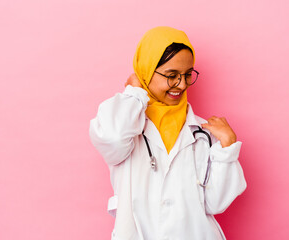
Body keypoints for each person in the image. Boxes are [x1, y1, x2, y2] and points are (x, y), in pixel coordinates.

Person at [89, 26, 246, 240]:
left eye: (188, 74)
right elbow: (113, 139)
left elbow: (215, 203)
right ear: (146, 70)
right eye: (172, 75)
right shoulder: (124, 124)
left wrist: (227, 148)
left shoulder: (203, 132)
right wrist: (135, 93)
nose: (181, 84)